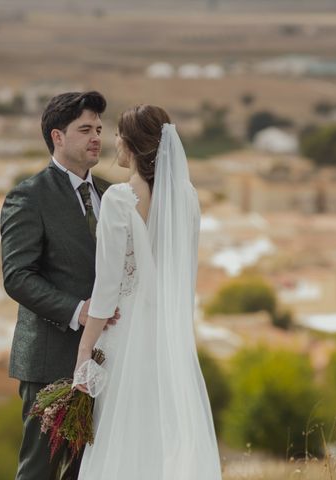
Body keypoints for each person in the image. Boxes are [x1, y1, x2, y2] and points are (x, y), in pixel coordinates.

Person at [73, 105, 222, 479]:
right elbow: (183, 272)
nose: (115, 142)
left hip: (124, 335)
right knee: (161, 430)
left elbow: (105, 289)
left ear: (134, 145)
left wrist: (85, 349)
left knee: (122, 434)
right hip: (169, 333)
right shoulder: (186, 198)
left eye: (120, 135)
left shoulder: (119, 200)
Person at [0, 91, 119, 480]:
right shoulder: (28, 196)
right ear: (58, 137)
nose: (96, 137)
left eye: (99, 129)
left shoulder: (110, 194)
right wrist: (78, 310)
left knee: (86, 472)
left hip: (105, 358)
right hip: (50, 359)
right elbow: (17, 275)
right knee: (40, 471)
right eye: (85, 129)